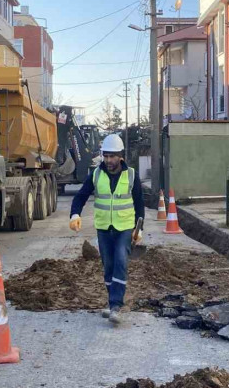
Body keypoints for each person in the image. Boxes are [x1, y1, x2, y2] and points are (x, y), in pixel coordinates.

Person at [69, 134, 144, 324]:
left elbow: (140, 204)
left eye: (112, 156)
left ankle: (116, 305)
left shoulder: (131, 175)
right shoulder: (95, 174)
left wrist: (139, 229)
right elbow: (80, 196)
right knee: (108, 266)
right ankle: (112, 304)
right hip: (103, 227)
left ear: (120, 156)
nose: (109, 160)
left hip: (125, 227)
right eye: (106, 156)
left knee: (120, 261)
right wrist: (75, 214)